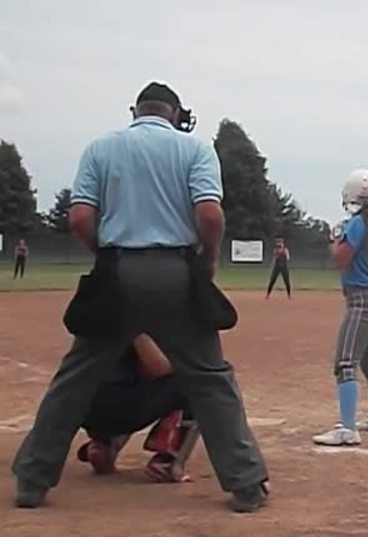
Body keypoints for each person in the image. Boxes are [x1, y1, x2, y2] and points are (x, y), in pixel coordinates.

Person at [12, 81, 269, 513]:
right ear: (176, 115)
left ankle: (32, 481)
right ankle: (246, 485)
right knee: (210, 379)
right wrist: (207, 262)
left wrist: (106, 255)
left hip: (117, 273)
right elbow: (209, 214)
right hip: (176, 272)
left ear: (136, 111)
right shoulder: (195, 149)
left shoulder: (100, 148)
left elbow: (79, 217)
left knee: (74, 379)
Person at [313, 169, 368, 446]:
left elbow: (341, 260)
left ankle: (347, 429)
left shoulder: (358, 224)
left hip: (363, 300)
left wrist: (335, 239)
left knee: (346, 363)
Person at [77, 333, 199, 483]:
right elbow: (158, 367)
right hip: (120, 409)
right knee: (202, 379)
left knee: (121, 370)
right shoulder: (147, 319)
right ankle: (167, 461)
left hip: (80, 407)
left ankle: (105, 441)